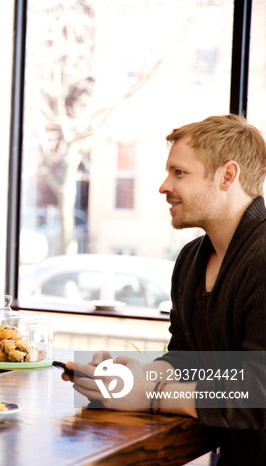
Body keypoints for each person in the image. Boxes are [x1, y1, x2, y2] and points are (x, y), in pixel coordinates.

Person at [61, 114, 266, 465]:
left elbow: (258, 390)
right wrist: (133, 377)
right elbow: (187, 359)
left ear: (227, 176)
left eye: (179, 173)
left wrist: (151, 396)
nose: (163, 186)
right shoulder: (190, 260)